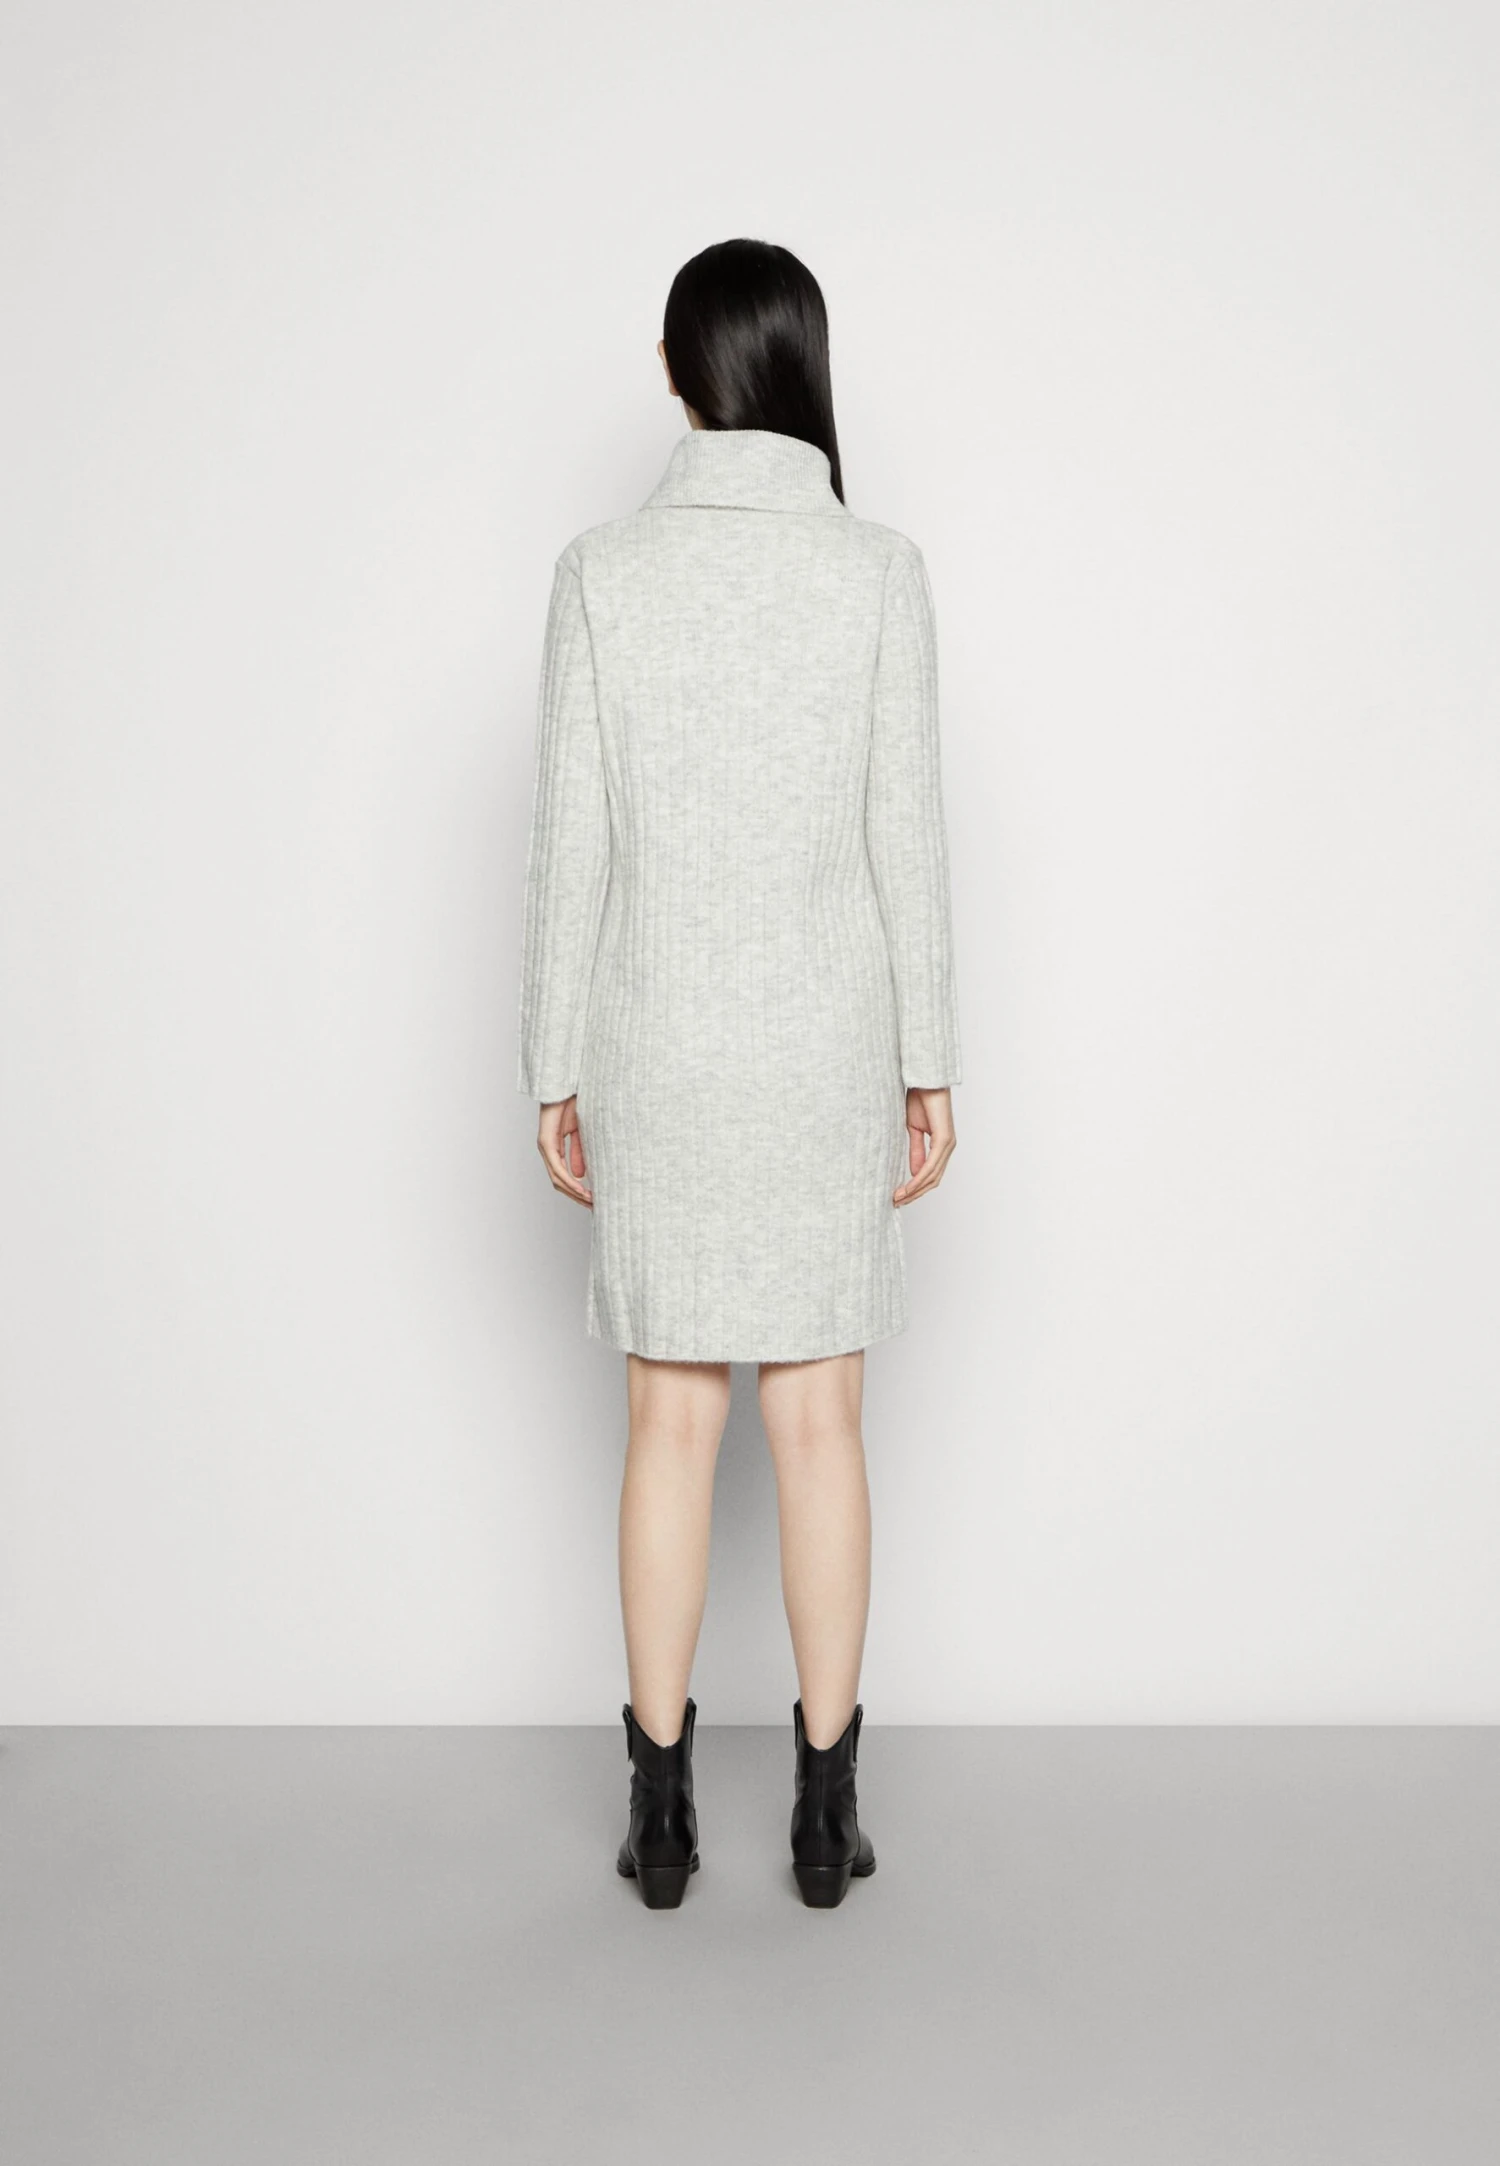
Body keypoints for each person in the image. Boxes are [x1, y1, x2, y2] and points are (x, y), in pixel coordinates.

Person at [516, 238, 962, 1908]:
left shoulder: (600, 573)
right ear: (802, 365)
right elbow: (907, 841)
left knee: (669, 1418)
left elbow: (571, 849)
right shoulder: (878, 572)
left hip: (657, 1040)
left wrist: (554, 1063)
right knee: (822, 1420)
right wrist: (930, 1061)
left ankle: (660, 1816)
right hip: (824, 1043)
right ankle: (827, 1816)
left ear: (673, 368)